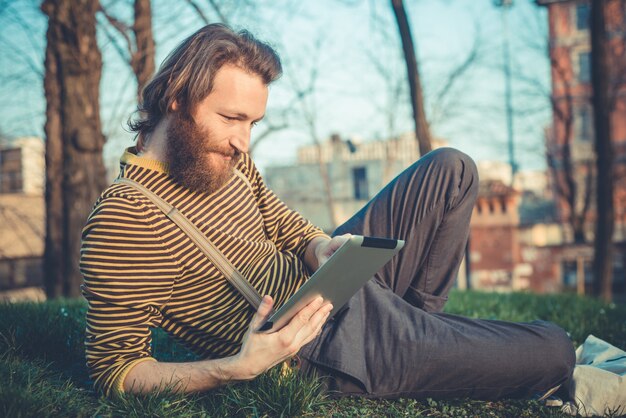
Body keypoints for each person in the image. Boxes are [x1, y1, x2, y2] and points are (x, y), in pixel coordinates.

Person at [80, 23, 575, 399]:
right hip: (318, 349)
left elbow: (282, 222)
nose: (242, 141)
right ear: (175, 98)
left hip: (332, 283)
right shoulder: (123, 220)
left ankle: (423, 336)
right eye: (231, 118)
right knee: (555, 350)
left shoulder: (226, 161)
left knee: (452, 169)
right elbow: (115, 371)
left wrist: (322, 246)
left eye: (252, 122)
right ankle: (422, 347)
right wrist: (237, 367)